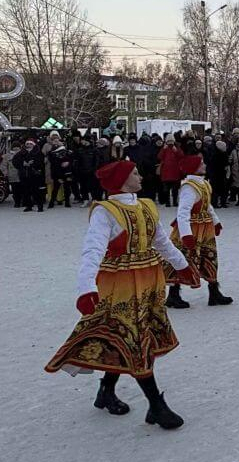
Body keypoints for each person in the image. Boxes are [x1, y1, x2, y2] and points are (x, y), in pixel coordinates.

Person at [45, 160, 201, 430]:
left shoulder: (147, 206)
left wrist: (182, 266)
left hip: (149, 281)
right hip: (121, 285)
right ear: (121, 180)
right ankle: (156, 405)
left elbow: (161, 240)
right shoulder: (105, 212)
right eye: (135, 173)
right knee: (135, 338)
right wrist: (86, 288)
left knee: (138, 338)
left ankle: (106, 391)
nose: (140, 176)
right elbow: (92, 249)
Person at [167, 153, 233, 308]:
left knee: (209, 258)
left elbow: (207, 206)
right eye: (201, 163)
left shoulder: (203, 184)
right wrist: (186, 235)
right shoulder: (189, 187)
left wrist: (216, 222)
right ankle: (173, 294)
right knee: (184, 258)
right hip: (192, 228)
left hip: (205, 228)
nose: (204, 164)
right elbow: (183, 212)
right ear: (194, 168)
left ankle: (214, 292)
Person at [13, 139, 47, 213]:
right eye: (27, 144)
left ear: (33, 144)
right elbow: (15, 161)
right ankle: (28, 206)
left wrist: (32, 164)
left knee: (37, 192)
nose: (28, 145)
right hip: (24, 175)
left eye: (30, 144)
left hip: (35, 175)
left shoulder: (38, 152)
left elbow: (41, 163)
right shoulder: (21, 153)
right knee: (26, 192)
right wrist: (23, 163)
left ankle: (40, 206)